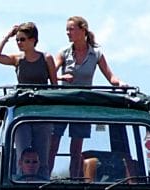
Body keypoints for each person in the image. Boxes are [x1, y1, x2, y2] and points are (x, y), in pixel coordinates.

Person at [48, 16, 127, 178]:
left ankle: (75, 180)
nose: (67, 33)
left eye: (71, 29)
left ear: (82, 30)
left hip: (83, 106)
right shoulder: (64, 53)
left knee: (76, 148)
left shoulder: (96, 53)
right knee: (53, 144)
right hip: (63, 104)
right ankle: (45, 177)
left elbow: (111, 76)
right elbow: (51, 74)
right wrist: (63, 78)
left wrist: (120, 84)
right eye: (67, 29)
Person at [0, 22, 56, 177]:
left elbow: (54, 86)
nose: (19, 43)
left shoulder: (46, 58)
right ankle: (20, 184)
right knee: (23, 155)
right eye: (18, 40)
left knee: (42, 156)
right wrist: (8, 35)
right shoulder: (17, 59)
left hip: (42, 113)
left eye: (23, 39)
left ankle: (43, 185)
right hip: (23, 114)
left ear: (33, 40)